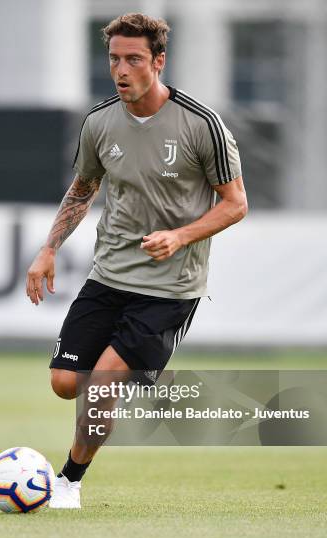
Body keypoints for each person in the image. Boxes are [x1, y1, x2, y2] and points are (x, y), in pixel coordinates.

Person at [26, 13, 248, 509]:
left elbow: (235, 204)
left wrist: (180, 236)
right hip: (109, 275)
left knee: (101, 383)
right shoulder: (100, 122)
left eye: (133, 59)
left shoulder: (201, 125)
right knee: (66, 383)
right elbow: (83, 190)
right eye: (113, 59)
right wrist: (48, 249)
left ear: (158, 62)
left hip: (170, 287)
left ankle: (69, 482)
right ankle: (115, 389)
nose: (121, 70)